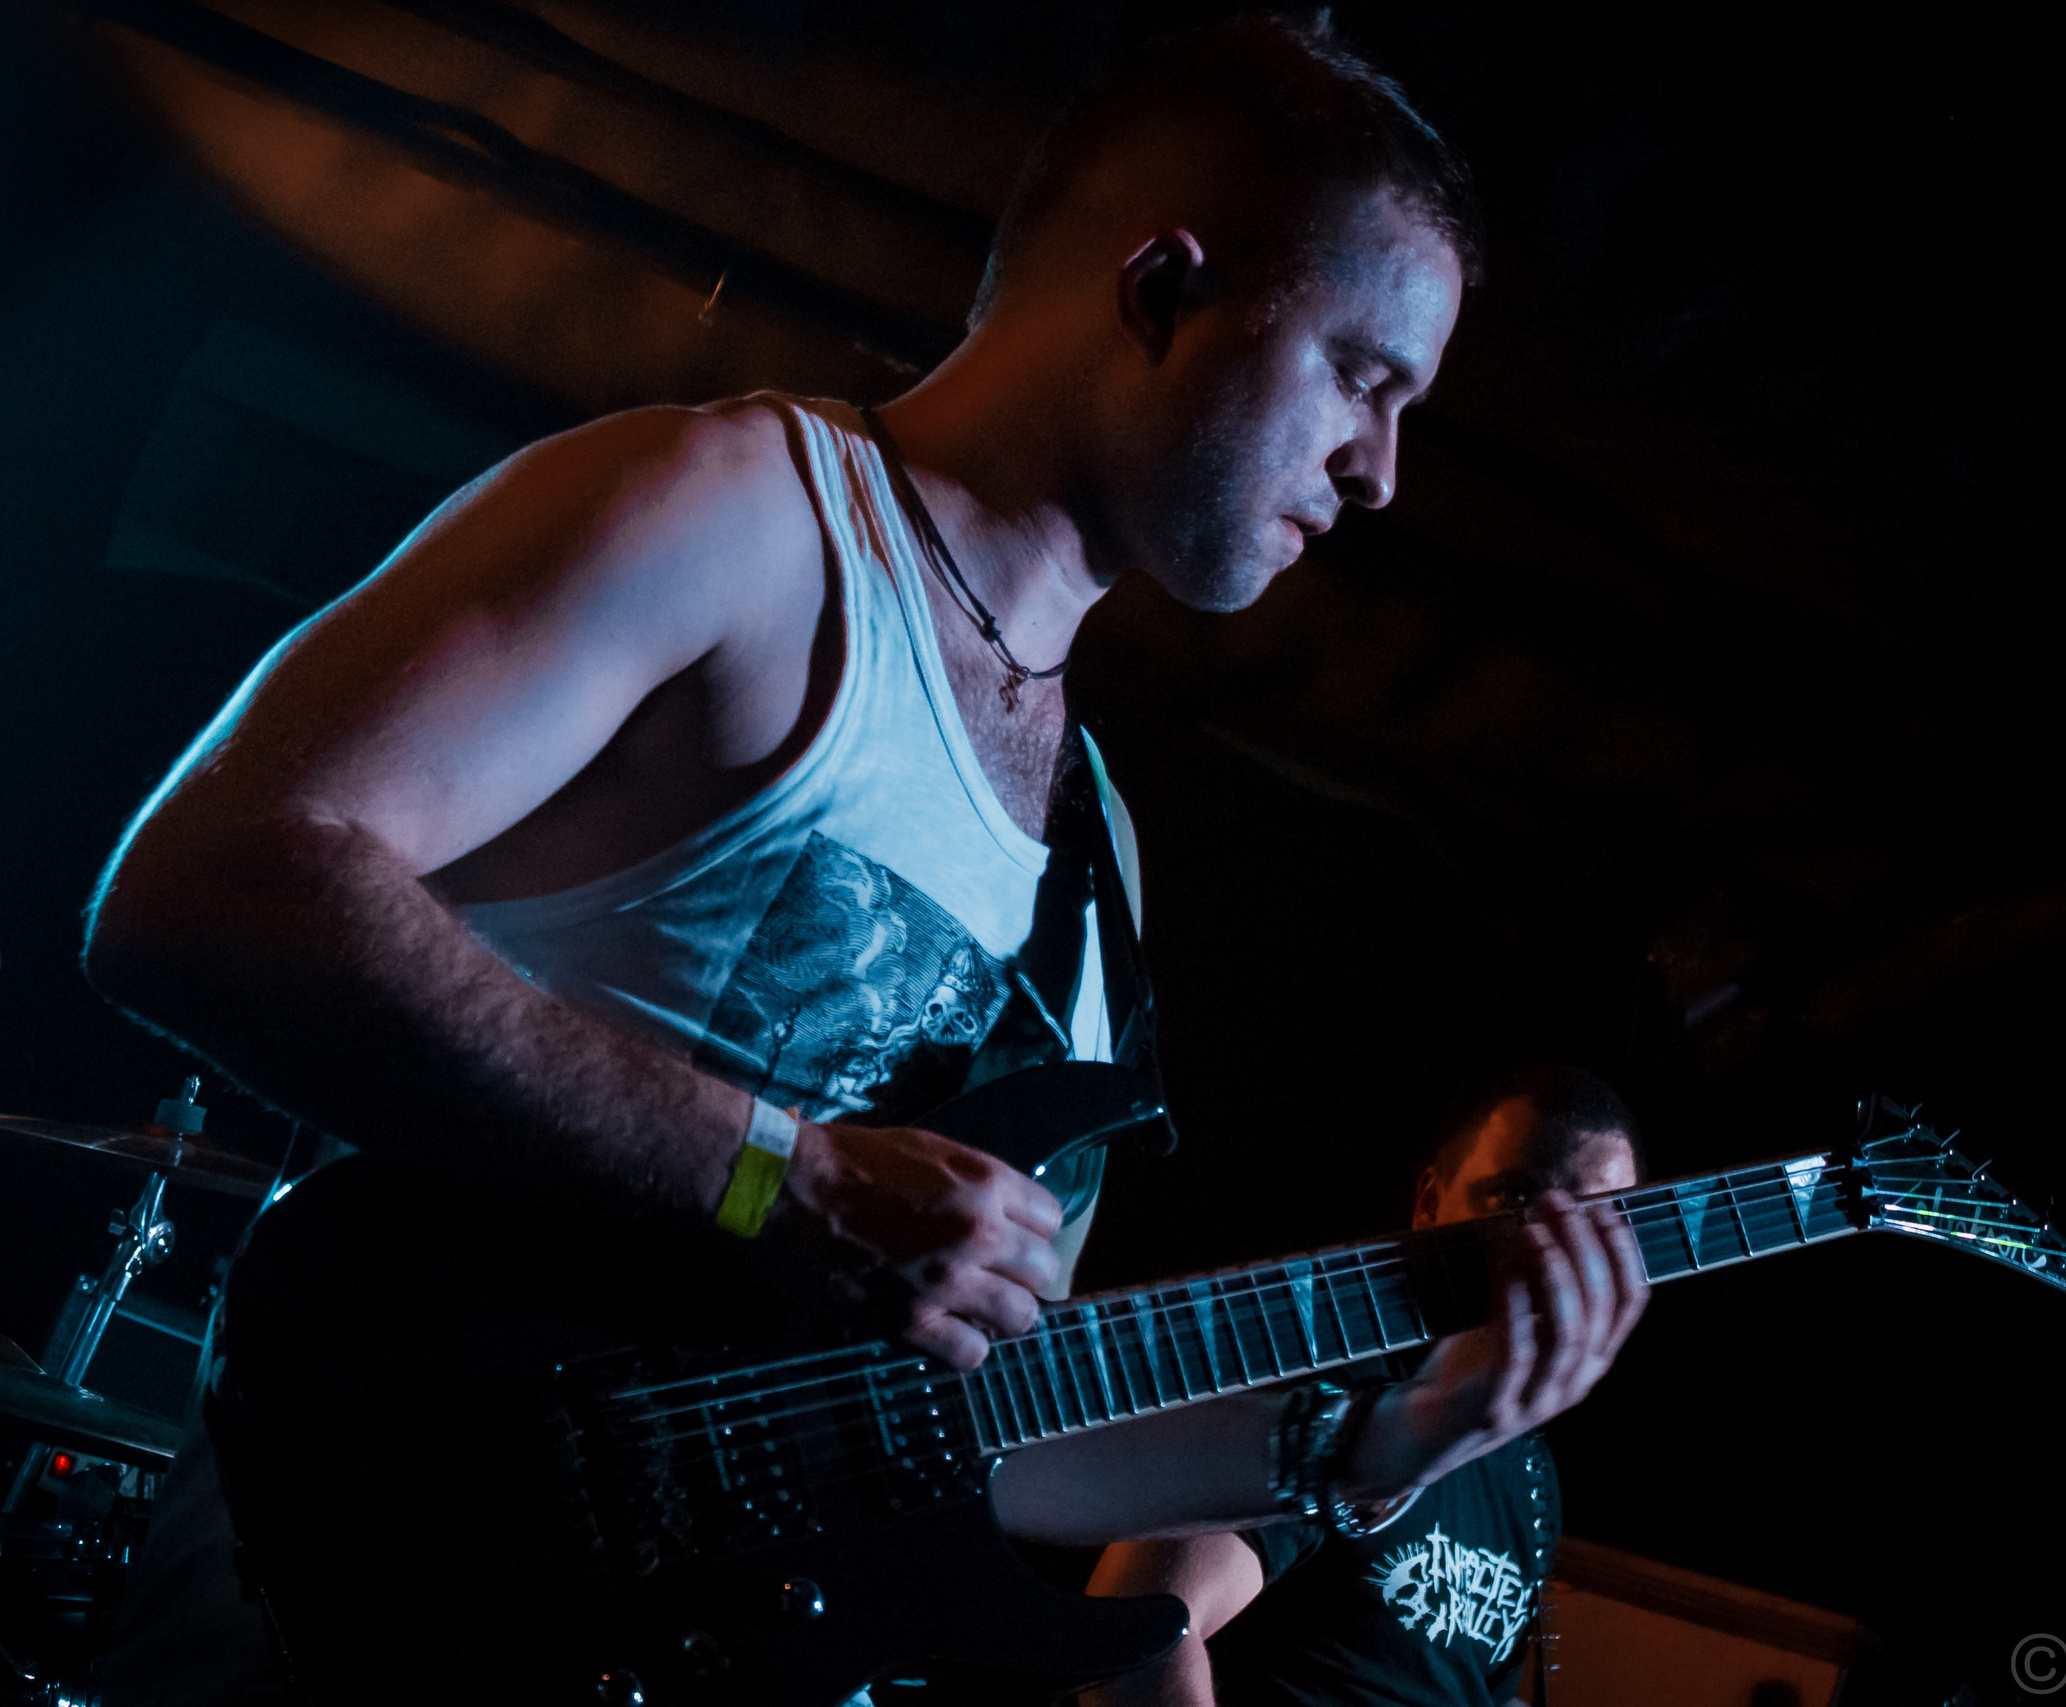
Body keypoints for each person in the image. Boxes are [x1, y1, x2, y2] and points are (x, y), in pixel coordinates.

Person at [81, 15, 1648, 1703]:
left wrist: (1379, 1441)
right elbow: (205, 882)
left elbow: (969, 1424)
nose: (1381, 471)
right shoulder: (737, 519)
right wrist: (783, 1179)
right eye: (1363, 375)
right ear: (1162, 291)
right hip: (344, 1610)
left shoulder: (1097, 859)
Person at [1082, 1065, 1646, 1707]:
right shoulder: (1335, 1396)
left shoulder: (1532, 1474)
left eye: (1596, 1222)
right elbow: (1137, 1627)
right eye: (1517, 1198)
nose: (1556, 1248)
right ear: (1430, 1203)